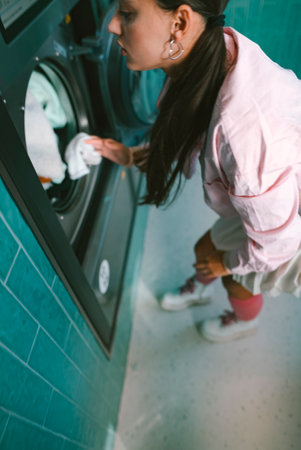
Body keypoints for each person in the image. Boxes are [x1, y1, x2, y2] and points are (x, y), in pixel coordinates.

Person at [86, 0, 301, 342]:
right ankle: (200, 287)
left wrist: (226, 265)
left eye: (127, 13)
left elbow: (279, 243)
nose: (112, 25)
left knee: (235, 278)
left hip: (291, 231)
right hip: (276, 196)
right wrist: (130, 155)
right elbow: (189, 136)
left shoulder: (243, 135)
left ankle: (243, 320)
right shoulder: (212, 52)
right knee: (205, 251)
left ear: (181, 23)